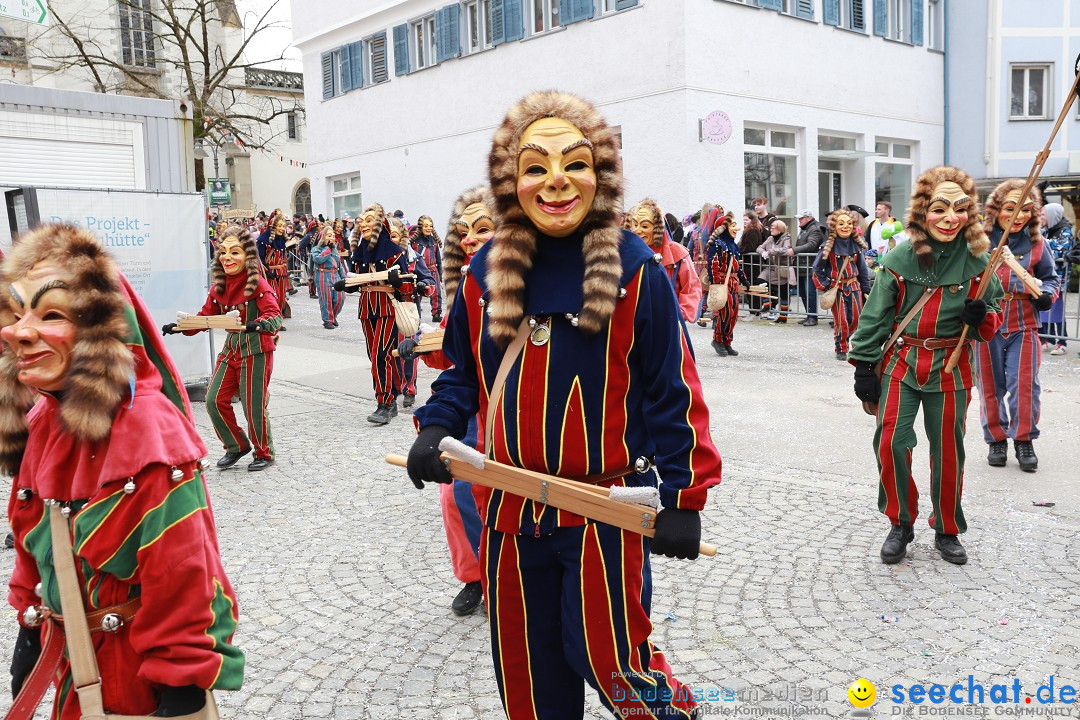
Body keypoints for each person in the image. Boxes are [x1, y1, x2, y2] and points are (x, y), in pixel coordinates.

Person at [408, 91, 721, 719]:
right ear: (509, 180)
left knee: (616, 665)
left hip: (603, 510)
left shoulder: (635, 269)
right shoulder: (486, 270)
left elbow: (673, 393)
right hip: (508, 510)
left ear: (599, 175)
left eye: (574, 163)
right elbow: (462, 375)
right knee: (528, 677)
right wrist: (436, 426)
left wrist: (685, 498)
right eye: (534, 166)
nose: (555, 181)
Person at [2, 224, 244, 717]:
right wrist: (31, 630)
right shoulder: (44, 418)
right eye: (17, 312)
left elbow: (183, 572)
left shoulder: (149, 430)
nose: (19, 331)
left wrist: (181, 684)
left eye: (50, 314)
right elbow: (34, 532)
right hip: (71, 664)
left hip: (134, 676)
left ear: (99, 333)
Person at [849, 166, 1004, 566]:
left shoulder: (979, 261)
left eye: (960, 209)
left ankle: (948, 528)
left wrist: (980, 316)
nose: (950, 218)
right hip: (903, 362)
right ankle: (900, 522)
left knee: (949, 451)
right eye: (940, 209)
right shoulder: (901, 257)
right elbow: (875, 313)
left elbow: (994, 310)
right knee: (891, 443)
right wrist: (864, 365)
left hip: (951, 367)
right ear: (922, 212)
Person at [398, 185, 494, 617]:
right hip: (473, 408)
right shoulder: (466, 291)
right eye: (463, 233)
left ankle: (508, 578)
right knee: (456, 494)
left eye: (483, 229)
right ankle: (477, 575)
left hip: (518, 414)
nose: (470, 238)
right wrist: (419, 345)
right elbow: (455, 352)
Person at [164, 224, 282, 471]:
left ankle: (265, 452)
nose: (227, 257)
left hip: (256, 350)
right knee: (213, 399)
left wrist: (256, 324)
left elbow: (275, 316)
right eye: (223, 252)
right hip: (231, 350)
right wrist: (180, 326)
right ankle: (236, 445)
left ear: (247, 255)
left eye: (235, 252)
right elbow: (206, 317)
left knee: (253, 405)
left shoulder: (258, 285)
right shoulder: (219, 287)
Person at [974, 180, 1059, 472]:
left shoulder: (1038, 244)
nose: (1018, 216)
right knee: (989, 385)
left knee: (1025, 385)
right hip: (986, 323)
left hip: (1024, 322)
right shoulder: (977, 241)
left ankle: (1024, 439)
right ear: (996, 209)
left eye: (1025, 209)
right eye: (1010, 208)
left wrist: (1047, 294)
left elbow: (1050, 278)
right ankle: (996, 439)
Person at [336, 203, 411, 425]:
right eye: (361, 220)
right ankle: (392, 396)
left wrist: (399, 281)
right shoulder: (359, 253)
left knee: (381, 355)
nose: (362, 223)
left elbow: (408, 287)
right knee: (376, 356)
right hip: (367, 307)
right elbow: (358, 281)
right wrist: (348, 285)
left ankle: (385, 403)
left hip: (386, 306)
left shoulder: (394, 253)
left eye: (368, 220)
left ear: (380, 224)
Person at [626, 197, 702, 322]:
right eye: (635, 225)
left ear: (657, 228)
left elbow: (691, 287)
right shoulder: (628, 252)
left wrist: (679, 314)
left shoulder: (677, 253)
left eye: (644, 226)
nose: (637, 230)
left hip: (667, 322)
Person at [813, 208, 871, 360]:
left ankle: (850, 341)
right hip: (836, 289)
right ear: (834, 226)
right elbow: (817, 268)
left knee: (856, 319)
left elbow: (862, 270)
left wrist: (866, 289)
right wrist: (826, 285)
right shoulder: (827, 247)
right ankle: (842, 348)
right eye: (841, 223)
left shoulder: (856, 246)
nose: (846, 227)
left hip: (854, 287)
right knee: (842, 320)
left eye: (849, 223)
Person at [389, 216, 433, 409]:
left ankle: (409, 388)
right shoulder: (379, 257)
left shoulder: (413, 256)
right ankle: (394, 386)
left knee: (408, 350)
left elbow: (429, 281)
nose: (392, 240)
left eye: (395, 236)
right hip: (386, 310)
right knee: (389, 350)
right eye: (389, 236)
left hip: (408, 308)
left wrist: (423, 286)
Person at [1038, 202, 1073, 355]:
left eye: (1043, 214)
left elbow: (1059, 252)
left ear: (1052, 216)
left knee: (1057, 310)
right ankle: (1048, 339)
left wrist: (1043, 244)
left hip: (1059, 279)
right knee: (1045, 309)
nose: (1041, 217)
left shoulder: (1065, 232)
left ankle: (1062, 341)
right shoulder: (1045, 230)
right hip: (1044, 277)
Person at [257, 210, 291, 330]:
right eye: (280, 226)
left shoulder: (281, 240)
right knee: (273, 298)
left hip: (280, 273)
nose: (282, 229)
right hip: (269, 273)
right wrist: (267, 271)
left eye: (283, 226)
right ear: (273, 227)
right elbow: (260, 258)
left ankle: (278, 321)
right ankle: (271, 322)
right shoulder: (263, 240)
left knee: (281, 297)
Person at [791, 209, 824, 326]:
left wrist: (794, 250)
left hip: (810, 265)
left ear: (808, 218)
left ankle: (813, 317)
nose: (799, 221)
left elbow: (812, 245)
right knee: (803, 293)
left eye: (801, 218)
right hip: (802, 265)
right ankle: (809, 315)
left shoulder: (815, 229)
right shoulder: (805, 229)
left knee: (810, 292)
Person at [759, 219, 794, 323]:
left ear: (779, 229)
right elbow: (760, 247)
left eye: (773, 228)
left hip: (783, 268)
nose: (770, 229)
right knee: (761, 280)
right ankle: (766, 304)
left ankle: (783, 317)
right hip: (771, 268)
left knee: (784, 293)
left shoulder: (786, 237)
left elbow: (785, 249)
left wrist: (770, 252)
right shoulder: (770, 238)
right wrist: (762, 252)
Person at [411, 215, 444, 322]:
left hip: (433, 270)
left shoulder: (434, 242)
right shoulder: (414, 242)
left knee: (436, 292)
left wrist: (440, 274)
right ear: (421, 227)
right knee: (417, 292)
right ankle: (416, 314)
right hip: (419, 271)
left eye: (430, 226)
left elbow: (438, 259)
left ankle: (436, 313)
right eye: (426, 226)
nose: (428, 228)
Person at [312, 223, 346, 329]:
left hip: (335, 275)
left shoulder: (334, 249)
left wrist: (343, 277)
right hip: (323, 275)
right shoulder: (316, 249)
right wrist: (327, 249)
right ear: (323, 237)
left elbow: (339, 264)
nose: (332, 238)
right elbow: (318, 259)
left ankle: (333, 316)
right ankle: (327, 321)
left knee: (340, 298)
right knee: (326, 299)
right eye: (329, 235)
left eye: (333, 235)